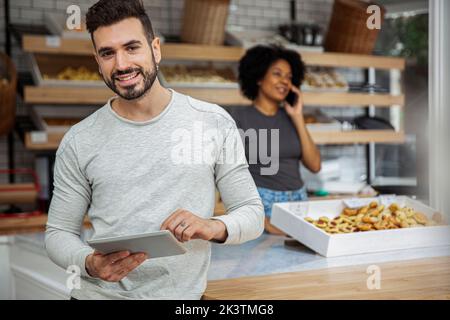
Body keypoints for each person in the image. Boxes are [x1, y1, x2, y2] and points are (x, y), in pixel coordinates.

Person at [45, 0, 264, 300]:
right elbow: (58, 234)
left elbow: (252, 214)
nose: (121, 65)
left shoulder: (213, 123)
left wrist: (211, 226)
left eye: (132, 47)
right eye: (108, 53)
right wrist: (90, 264)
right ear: (97, 61)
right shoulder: (79, 140)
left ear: (156, 49)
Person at [231, 45, 321, 235]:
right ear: (258, 77)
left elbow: (314, 165)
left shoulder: (292, 117)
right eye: (277, 74)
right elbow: (228, 175)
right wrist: (261, 219)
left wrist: (298, 116)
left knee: (302, 263)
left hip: (299, 201)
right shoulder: (239, 118)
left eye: (289, 77)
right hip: (263, 204)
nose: (284, 81)